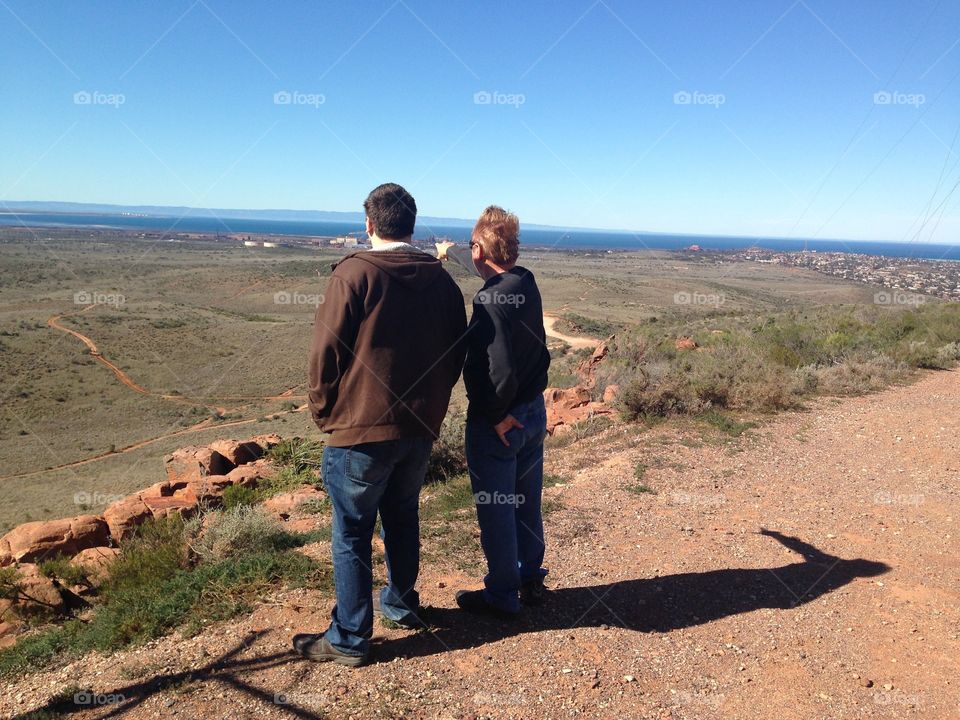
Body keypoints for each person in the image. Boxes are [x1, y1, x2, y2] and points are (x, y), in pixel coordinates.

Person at [294, 183, 467, 666]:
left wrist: (326, 412)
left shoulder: (354, 274)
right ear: (410, 225)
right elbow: (458, 351)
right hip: (419, 426)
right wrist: (433, 403)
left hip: (360, 429)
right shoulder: (442, 281)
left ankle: (350, 637)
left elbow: (325, 353)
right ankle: (401, 603)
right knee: (402, 515)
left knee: (351, 531)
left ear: (369, 223)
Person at [438, 207, 551, 618]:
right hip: (534, 412)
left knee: (497, 507)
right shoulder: (524, 281)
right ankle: (529, 576)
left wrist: (493, 414)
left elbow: (496, 369)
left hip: (502, 423)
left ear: (480, 249)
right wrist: (453, 253)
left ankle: (502, 596)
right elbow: (489, 268)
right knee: (526, 501)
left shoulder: (489, 301)